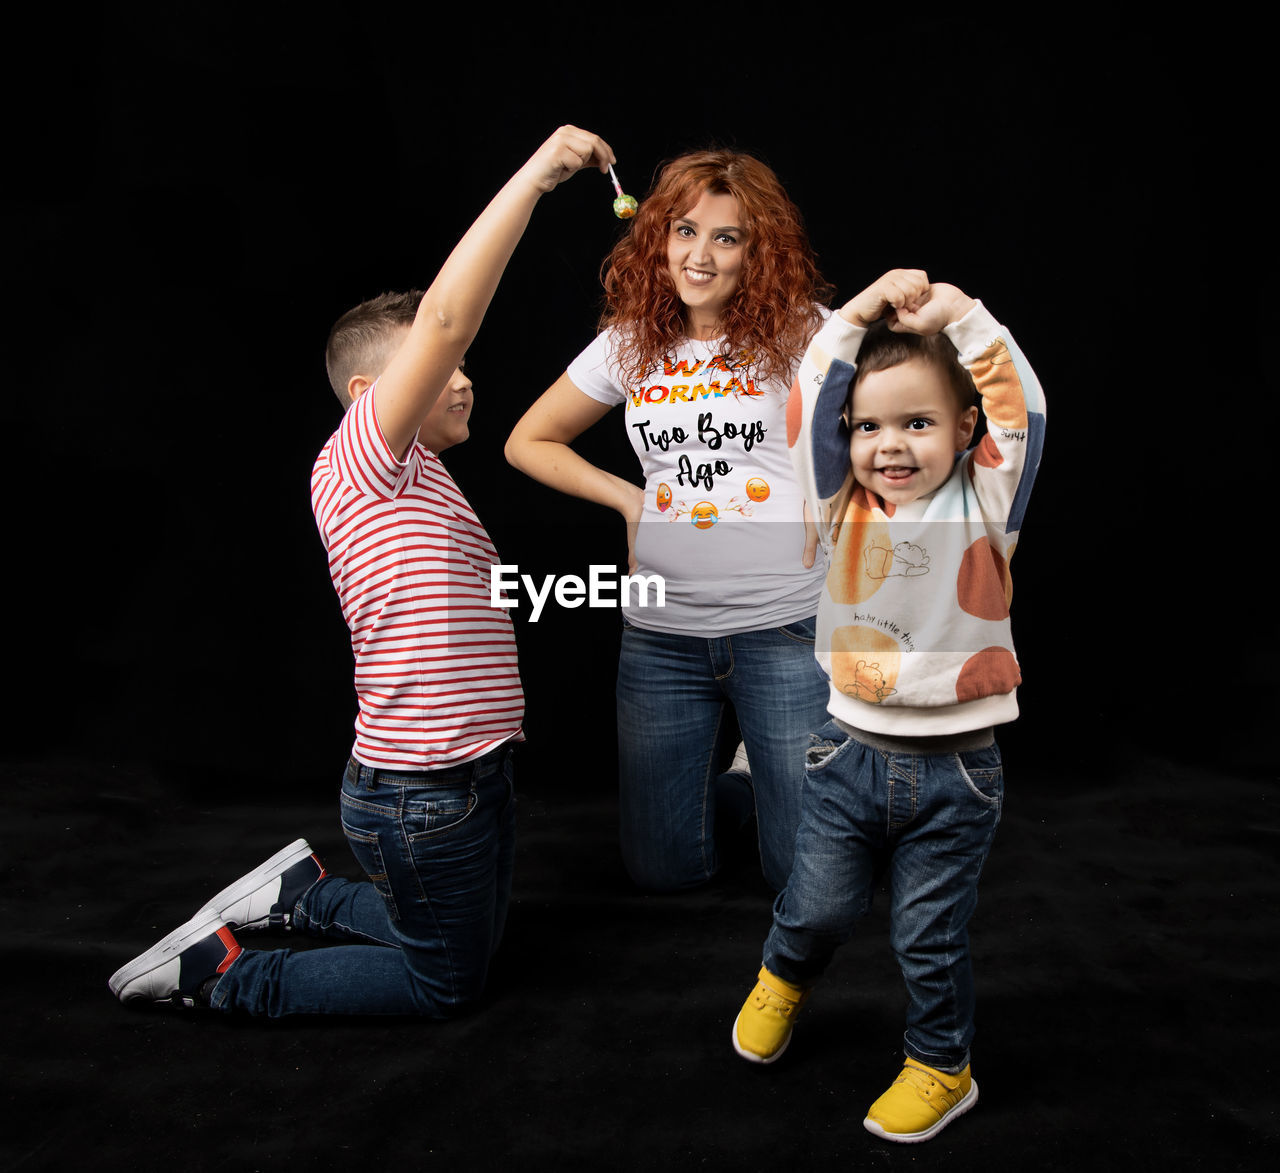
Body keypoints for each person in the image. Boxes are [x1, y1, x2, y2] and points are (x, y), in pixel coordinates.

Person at [108, 125, 616, 1015]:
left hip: (477, 775)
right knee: (446, 984)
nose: (462, 378)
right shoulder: (360, 461)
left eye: (463, 369)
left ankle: (300, 895)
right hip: (421, 794)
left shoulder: (427, 482)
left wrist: (633, 587)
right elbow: (449, 317)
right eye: (441, 368)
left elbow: (474, 607)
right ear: (368, 399)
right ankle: (224, 976)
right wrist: (535, 180)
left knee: (478, 945)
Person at [729, 269, 1046, 1143]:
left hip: (958, 775)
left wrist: (967, 318)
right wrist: (860, 311)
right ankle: (783, 976)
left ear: (963, 430)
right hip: (848, 758)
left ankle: (944, 1066)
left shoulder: (985, 506)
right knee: (818, 904)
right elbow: (806, 401)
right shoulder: (838, 505)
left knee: (926, 934)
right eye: (868, 426)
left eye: (916, 422)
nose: (889, 445)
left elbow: (1024, 409)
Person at [505, 150, 833, 893]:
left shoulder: (809, 331)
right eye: (685, 230)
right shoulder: (631, 343)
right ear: (658, 235)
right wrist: (629, 500)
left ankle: (765, 780)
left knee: (804, 880)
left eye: (728, 237)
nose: (701, 255)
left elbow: (907, 405)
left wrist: (833, 486)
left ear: (760, 250)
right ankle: (749, 783)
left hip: (783, 628)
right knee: (663, 871)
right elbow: (527, 440)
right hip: (661, 636)